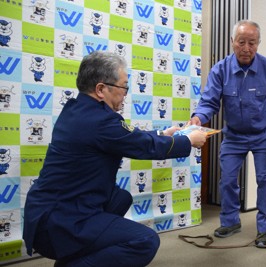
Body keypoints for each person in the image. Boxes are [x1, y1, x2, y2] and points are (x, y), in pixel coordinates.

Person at [23, 51, 207, 267]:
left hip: (48, 212)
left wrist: (163, 135)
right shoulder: (101, 121)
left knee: (119, 198)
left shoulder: (77, 109)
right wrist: (188, 140)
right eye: (123, 87)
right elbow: (143, 146)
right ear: (101, 89)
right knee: (145, 240)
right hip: (59, 222)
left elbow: (129, 136)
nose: (125, 94)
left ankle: (73, 255)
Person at [189, 20, 266, 248]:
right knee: (227, 179)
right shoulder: (220, 70)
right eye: (241, 42)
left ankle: (265, 229)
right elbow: (209, 101)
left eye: (252, 43)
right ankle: (230, 221)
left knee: (265, 180)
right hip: (234, 135)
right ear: (232, 42)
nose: (246, 48)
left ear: (258, 44)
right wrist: (198, 117)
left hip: (264, 134)